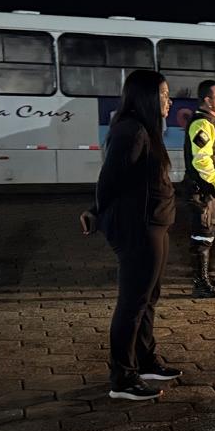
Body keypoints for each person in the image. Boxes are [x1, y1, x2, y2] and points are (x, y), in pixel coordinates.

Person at [80, 70, 183, 401]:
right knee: (133, 302)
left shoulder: (145, 130)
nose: (169, 101)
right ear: (147, 97)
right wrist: (96, 211)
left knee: (149, 297)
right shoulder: (132, 131)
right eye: (164, 95)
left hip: (155, 223)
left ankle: (145, 360)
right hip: (138, 227)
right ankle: (122, 377)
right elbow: (110, 179)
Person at [183, 80, 215, 298]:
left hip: (211, 190)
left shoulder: (214, 122)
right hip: (202, 191)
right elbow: (201, 159)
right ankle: (201, 283)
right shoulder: (201, 124)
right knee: (202, 236)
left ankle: (211, 275)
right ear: (208, 101)